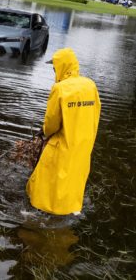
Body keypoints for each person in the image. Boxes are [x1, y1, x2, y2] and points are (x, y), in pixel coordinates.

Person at [26, 47, 101, 215]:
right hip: (82, 145)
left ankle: (41, 208)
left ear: (62, 66)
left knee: (46, 176)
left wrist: (43, 131)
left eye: (54, 67)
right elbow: (96, 114)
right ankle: (70, 209)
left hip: (63, 142)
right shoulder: (90, 85)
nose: (54, 70)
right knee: (73, 178)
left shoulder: (60, 88)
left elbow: (52, 123)